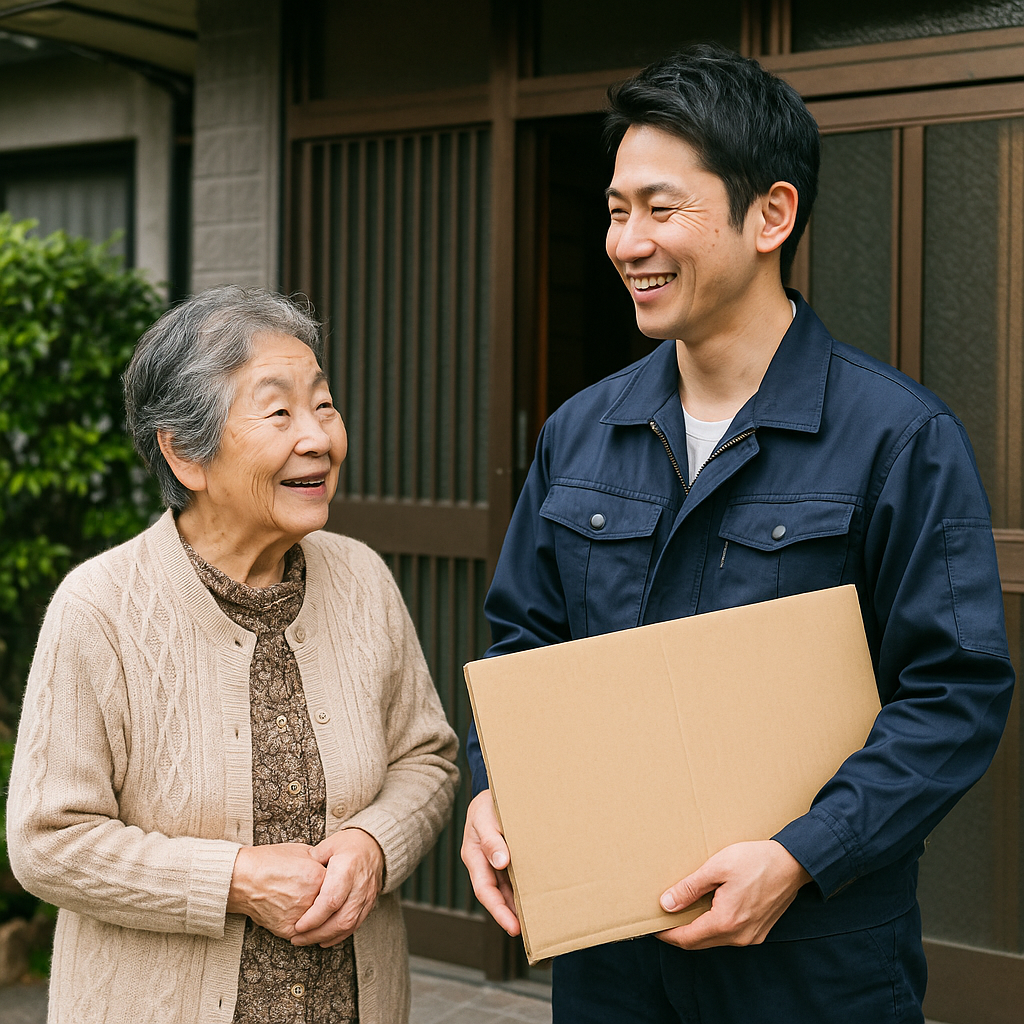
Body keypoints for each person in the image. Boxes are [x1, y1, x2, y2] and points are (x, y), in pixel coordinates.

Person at [461, 44, 1014, 1023]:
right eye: (615, 210)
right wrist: (493, 791)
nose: (627, 241)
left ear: (771, 214)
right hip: (613, 962)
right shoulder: (580, 431)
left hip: (812, 963)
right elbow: (522, 646)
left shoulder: (898, 436)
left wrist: (802, 854)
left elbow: (952, 692)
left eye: (660, 208)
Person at [7, 286, 460, 1024]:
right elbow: (48, 841)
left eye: (324, 404)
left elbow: (427, 758)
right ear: (185, 452)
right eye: (279, 412)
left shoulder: (364, 579)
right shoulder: (101, 609)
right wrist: (235, 879)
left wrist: (375, 844)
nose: (318, 437)